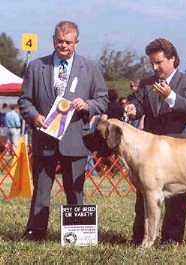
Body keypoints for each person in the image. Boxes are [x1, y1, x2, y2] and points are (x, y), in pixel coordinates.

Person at [18, 20, 108, 241]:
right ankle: (35, 232)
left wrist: (88, 105)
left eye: (68, 42)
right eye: (59, 41)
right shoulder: (36, 67)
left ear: (76, 42)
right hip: (44, 138)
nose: (63, 46)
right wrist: (34, 116)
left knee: (75, 190)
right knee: (41, 190)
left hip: (76, 140)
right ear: (53, 40)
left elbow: (103, 99)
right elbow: (24, 100)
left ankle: (77, 234)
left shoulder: (91, 68)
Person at [125, 38, 186, 246]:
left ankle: (171, 238)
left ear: (172, 59)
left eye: (158, 62)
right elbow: (138, 105)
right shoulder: (147, 83)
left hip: (177, 150)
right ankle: (140, 236)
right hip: (149, 153)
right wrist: (132, 109)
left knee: (176, 197)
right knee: (144, 195)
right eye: (152, 63)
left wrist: (171, 97)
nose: (154, 67)